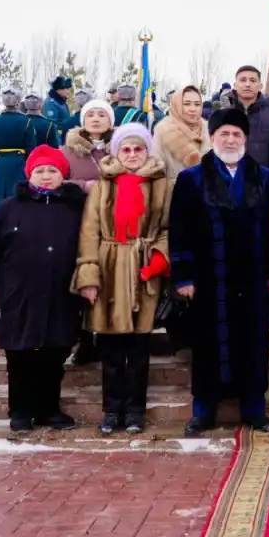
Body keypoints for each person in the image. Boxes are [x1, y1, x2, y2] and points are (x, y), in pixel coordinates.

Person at [171, 108, 269, 434]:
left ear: (245, 139)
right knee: (207, 344)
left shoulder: (266, 178)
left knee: (253, 341)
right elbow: (179, 229)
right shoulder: (191, 178)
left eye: (236, 134)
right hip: (208, 279)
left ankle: (254, 407)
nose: (230, 139)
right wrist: (184, 276)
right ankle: (204, 409)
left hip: (253, 277)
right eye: (224, 134)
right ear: (212, 137)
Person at [0, 145, 84, 433]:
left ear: (64, 175)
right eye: (40, 171)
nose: (46, 176)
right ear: (29, 174)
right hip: (18, 293)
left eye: (52, 171)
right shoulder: (9, 208)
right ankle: (21, 410)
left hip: (61, 293)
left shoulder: (75, 208)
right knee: (20, 353)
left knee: (55, 351)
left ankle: (48, 408)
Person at [71, 124, 170, 435]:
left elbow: (169, 228)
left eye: (137, 149)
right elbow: (89, 232)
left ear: (147, 151)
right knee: (111, 350)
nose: (131, 155)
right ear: (116, 152)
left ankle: (135, 411)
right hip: (110, 267)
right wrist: (89, 275)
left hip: (143, 272)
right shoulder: (103, 186)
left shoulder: (163, 185)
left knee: (139, 349)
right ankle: (112, 410)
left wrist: (158, 257)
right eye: (125, 149)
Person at [60, 98, 114, 367]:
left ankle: (106, 339)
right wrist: (85, 185)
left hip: (114, 224)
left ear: (110, 121)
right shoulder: (68, 150)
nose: (95, 119)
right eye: (90, 114)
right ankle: (83, 340)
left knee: (109, 280)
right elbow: (58, 180)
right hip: (78, 223)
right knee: (82, 279)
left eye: (101, 114)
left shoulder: (120, 147)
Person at [223, 66, 269, 172]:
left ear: (260, 85)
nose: (247, 84)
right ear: (235, 85)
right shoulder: (223, 116)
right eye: (243, 80)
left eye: (252, 80)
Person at [0, 90, 37, 217]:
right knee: (17, 195)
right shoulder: (27, 121)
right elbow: (31, 147)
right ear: (18, 101)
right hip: (19, 162)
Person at [153, 84, 211, 182]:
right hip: (174, 193)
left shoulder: (209, 128)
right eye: (187, 104)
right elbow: (156, 168)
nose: (193, 109)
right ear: (177, 105)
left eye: (197, 104)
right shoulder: (163, 129)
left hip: (207, 193)